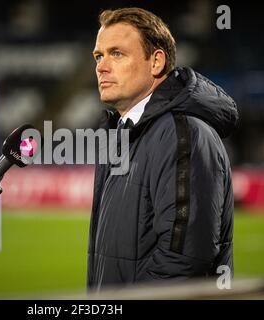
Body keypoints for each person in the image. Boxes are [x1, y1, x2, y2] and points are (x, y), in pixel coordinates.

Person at [87, 7, 239, 291]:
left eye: (117, 54)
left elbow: (184, 261)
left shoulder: (185, 134)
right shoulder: (120, 134)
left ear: (156, 62)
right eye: (99, 55)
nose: (101, 66)